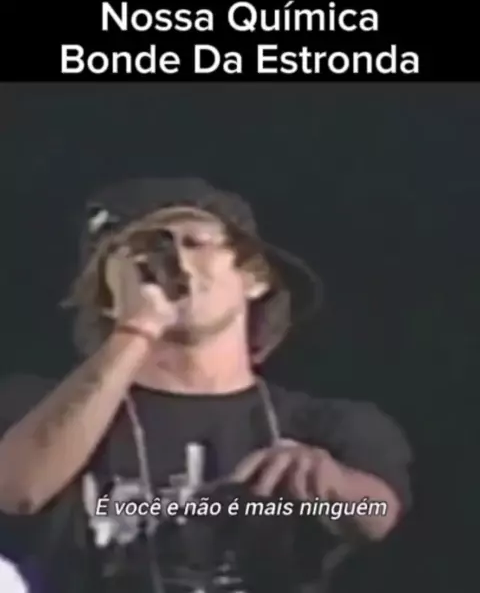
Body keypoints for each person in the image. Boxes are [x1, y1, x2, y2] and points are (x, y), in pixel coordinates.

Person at [0, 178, 412, 593]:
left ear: (254, 277)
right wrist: (139, 326)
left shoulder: (322, 422)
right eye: (141, 251)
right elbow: (17, 490)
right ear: (109, 294)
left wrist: (331, 484)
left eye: (194, 242)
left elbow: (376, 515)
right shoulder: (37, 407)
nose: (172, 260)